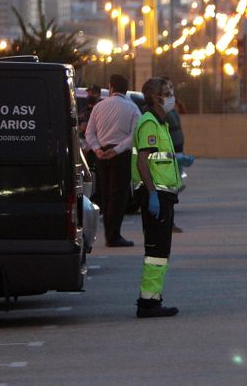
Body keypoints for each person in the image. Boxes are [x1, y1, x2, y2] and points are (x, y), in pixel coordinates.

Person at [131, 77, 192, 318]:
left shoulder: (161, 122)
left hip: (165, 194)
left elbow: (158, 156)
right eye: (167, 92)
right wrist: (153, 195)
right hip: (156, 195)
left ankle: (151, 299)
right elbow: (142, 161)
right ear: (156, 97)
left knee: (160, 250)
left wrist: (179, 159)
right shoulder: (149, 123)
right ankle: (148, 303)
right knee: (157, 251)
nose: (172, 96)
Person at [86, 75, 141, 247]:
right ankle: (113, 236)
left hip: (101, 155)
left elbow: (89, 133)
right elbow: (135, 135)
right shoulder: (132, 108)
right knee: (119, 196)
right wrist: (116, 150)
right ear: (126, 89)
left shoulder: (99, 107)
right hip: (120, 155)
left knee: (106, 194)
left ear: (110, 87)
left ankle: (109, 235)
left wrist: (98, 149)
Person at [162, 76, 190, 234]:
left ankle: (169, 221)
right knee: (169, 190)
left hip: (177, 152)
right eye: (168, 88)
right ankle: (167, 223)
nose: (171, 90)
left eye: (172, 87)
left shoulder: (171, 107)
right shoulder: (162, 110)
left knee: (175, 188)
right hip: (169, 154)